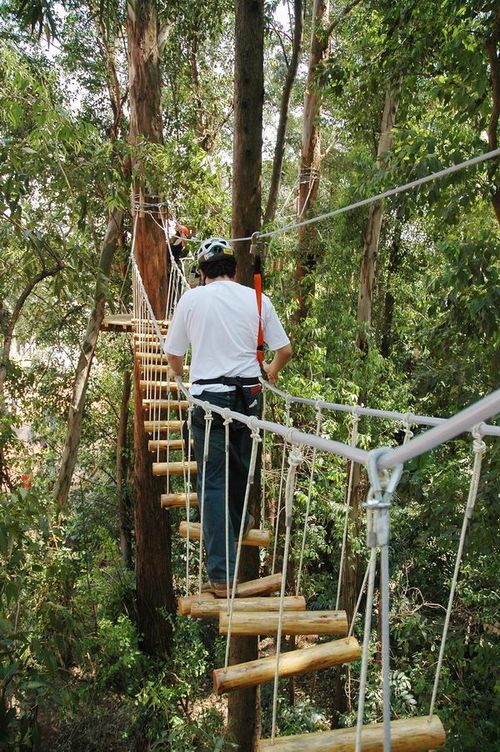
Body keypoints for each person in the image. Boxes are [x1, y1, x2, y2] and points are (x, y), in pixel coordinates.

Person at [165, 237, 292, 595]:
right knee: (240, 469)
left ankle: (221, 575)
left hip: (209, 402)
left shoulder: (191, 299)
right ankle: (238, 523)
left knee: (214, 482)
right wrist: (269, 368)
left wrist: (183, 371)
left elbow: (174, 358)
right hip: (249, 398)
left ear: (202, 273)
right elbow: (285, 350)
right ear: (235, 271)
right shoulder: (256, 298)